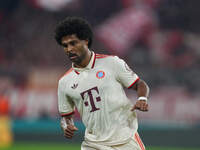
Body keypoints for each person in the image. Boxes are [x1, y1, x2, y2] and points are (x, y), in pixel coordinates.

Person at [55, 17, 149, 150]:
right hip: (93, 144)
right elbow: (66, 116)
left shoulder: (112, 63)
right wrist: (66, 125)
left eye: (73, 43)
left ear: (86, 41)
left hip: (125, 140)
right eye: (65, 45)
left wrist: (142, 98)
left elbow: (139, 84)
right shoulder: (65, 82)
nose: (69, 49)